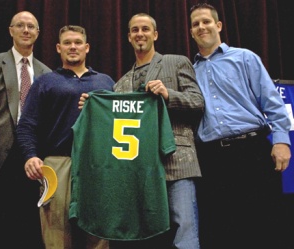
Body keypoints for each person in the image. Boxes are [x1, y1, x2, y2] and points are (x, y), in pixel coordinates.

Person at [79, 13, 204, 249]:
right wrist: (92, 108)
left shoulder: (176, 62)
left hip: (176, 162)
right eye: (135, 30)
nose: (140, 34)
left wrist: (168, 94)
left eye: (145, 29)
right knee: (144, 238)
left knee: (184, 231)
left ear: (155, 34)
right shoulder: (121, 83)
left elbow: (197, 102)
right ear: (128, 37)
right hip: (138, 170)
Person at [189, 3, 291, 249]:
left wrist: (281, 140)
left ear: (219, 25)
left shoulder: (245, 58)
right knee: (221, 228)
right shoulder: (188, 73)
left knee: (264, 224)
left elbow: (272, 101)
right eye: (195, 24)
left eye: (206, 21)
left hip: (252, 151)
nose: (201, 27)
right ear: (191, 32)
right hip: (211, 159)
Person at [16, 25, 115, 249]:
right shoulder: (45, 82)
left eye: (78, 42)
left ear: (87, 47)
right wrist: (30, 156)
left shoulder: (106, 83)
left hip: (97, 164)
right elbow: (26, 125)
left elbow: (120, 124)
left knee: (99, 232)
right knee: (55, 233)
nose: (73, 47)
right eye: (67, 43)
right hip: (57, 163)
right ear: (58, 48)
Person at [0, 11, 51, 249]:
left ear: (38, 33)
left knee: (27, 225)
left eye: (31, 26)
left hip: (31, 155)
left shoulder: (46, 73)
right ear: (11, 30)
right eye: (20, 25)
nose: (26, 30)